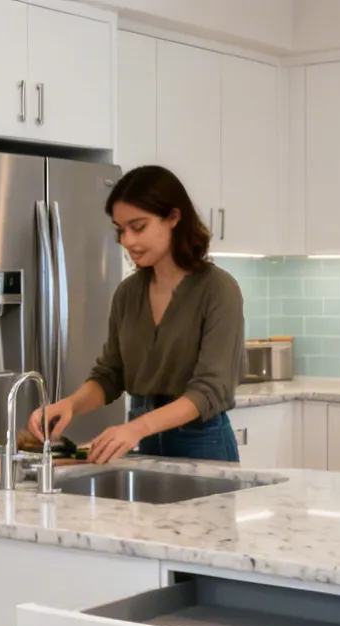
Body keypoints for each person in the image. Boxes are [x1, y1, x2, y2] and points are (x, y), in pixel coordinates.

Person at [27, 165, 245, 463]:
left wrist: (137, 428)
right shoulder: (128, 293)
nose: (127, 241)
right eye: (120, 230)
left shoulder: (218, 290)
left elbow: (209, 391)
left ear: (174, 217)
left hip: (203, 443)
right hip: (146, 442)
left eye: (138, 227)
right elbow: (110, 375)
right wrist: (70, 405)